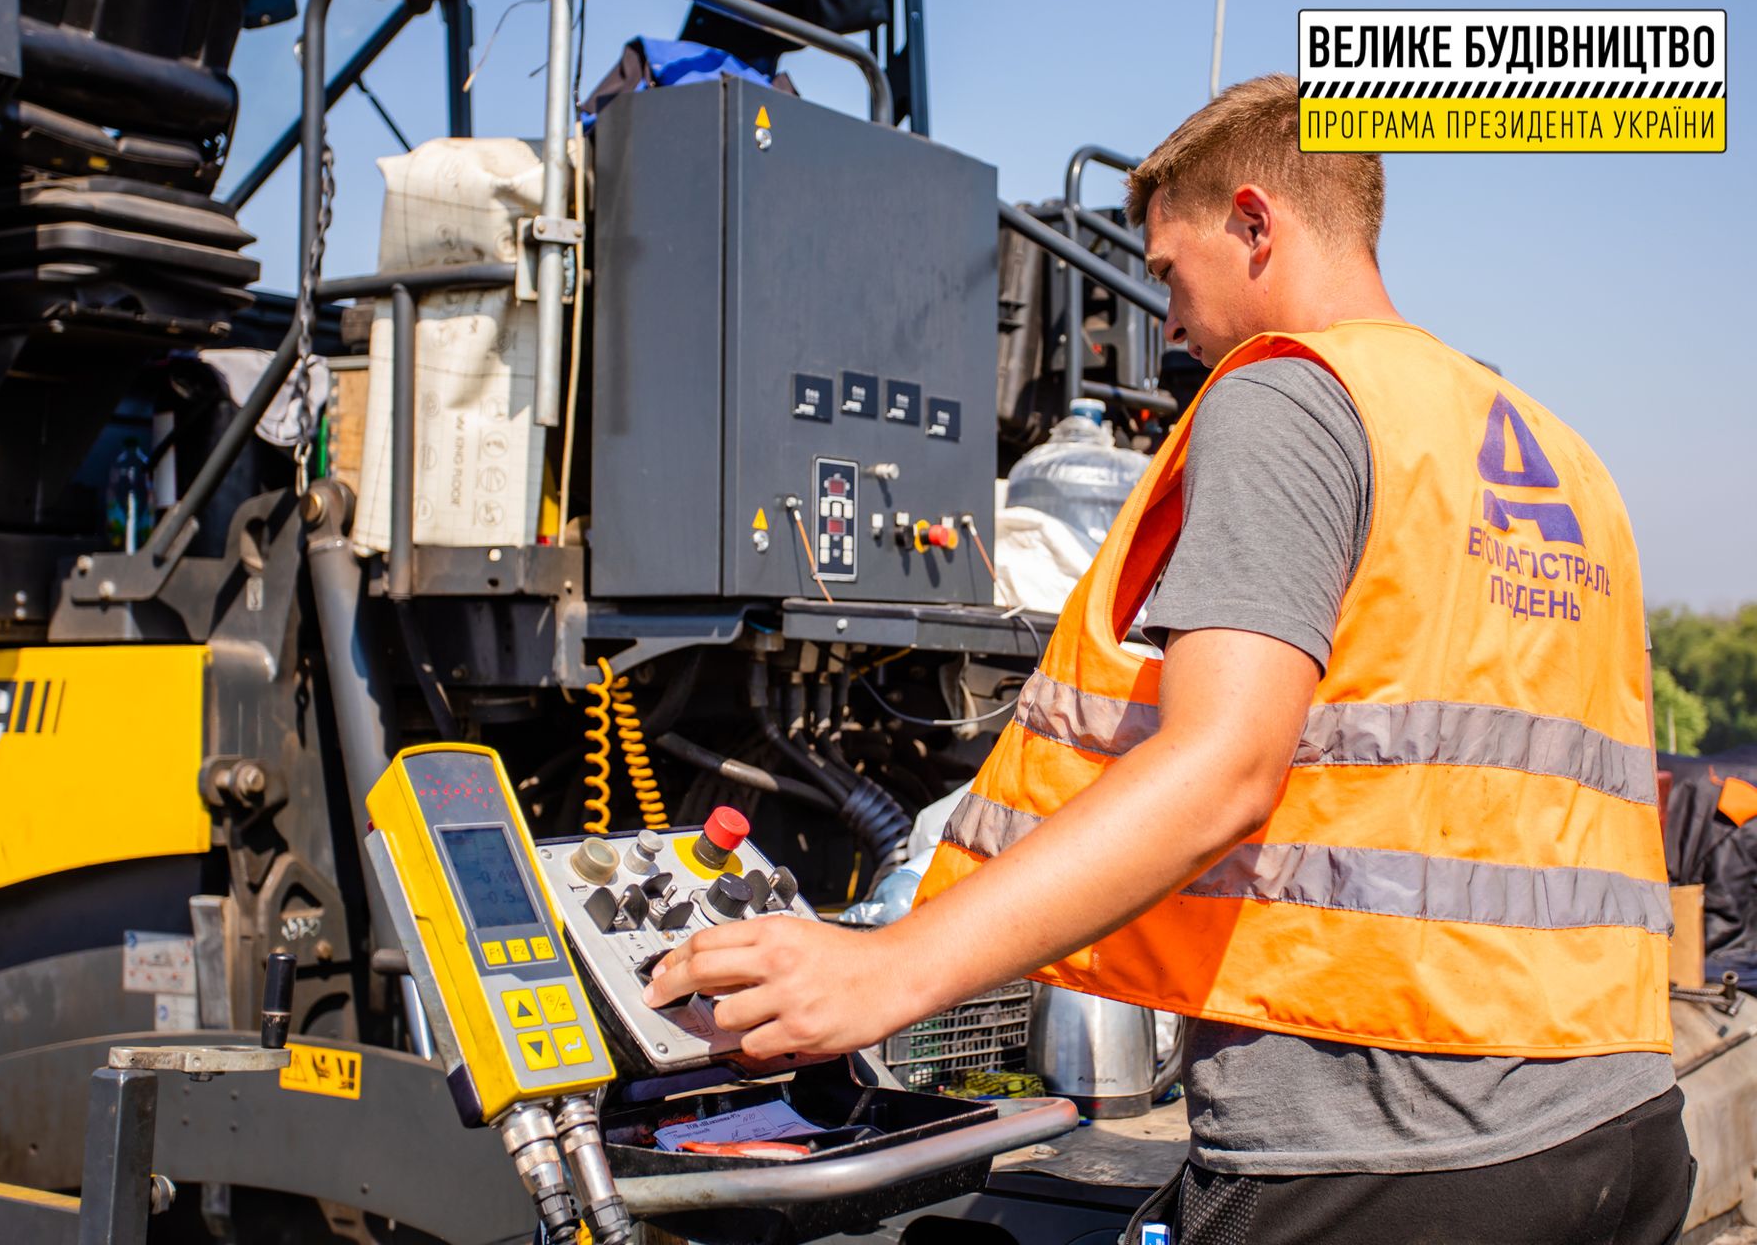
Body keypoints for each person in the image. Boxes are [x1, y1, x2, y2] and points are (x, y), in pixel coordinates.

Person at [643, 73, 1691, 1243]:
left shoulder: (1294, 396)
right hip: (1619, 1127)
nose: (1168, 322)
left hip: (1389, 1156)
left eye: (1166, 269)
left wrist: (885, 969)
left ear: (1256, 222)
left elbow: (1223, 765)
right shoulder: (1552, 451)